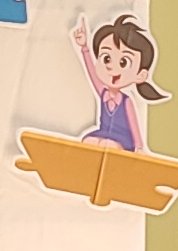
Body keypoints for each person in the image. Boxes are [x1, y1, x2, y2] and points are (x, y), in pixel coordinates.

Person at [67, 10, 169, 155]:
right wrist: (84, 48)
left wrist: (139, 147)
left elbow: (134, 125)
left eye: (123, 62)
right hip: (104, 132)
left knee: (108, 146)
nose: (111, 67)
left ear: (140, 75)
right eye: (106, 59)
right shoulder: (103, 93)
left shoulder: (126, 101)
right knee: (89, 141)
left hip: (123, 139)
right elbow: (92, 74)